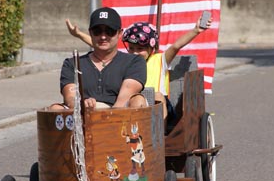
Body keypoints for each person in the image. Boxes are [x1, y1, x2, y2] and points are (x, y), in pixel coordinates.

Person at [66, 13, 211, 119]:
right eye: (132, 48)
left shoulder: (160, 59)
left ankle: (159, 135)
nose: (135, 52)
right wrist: (79, 34)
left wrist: (195, 31)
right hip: (131, 102)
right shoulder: (127, 61)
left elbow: (176, 46)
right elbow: (100, 45)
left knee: (157, 96)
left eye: (140, 49)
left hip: (156, 105)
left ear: (151, 49)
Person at [53, 7, 147, 110]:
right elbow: (70, 97)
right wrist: (81, 105)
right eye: (97, 31)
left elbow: (124, 98)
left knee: (138, 100)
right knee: (55, 109)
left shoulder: (135, 62)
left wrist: (106, 121)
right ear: (90, 33)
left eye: (109, 31)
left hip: (119, 115)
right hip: (83, 114)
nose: (103, 36)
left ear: (119, 33)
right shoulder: (72, 63)